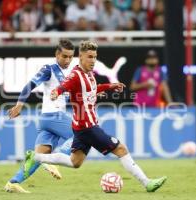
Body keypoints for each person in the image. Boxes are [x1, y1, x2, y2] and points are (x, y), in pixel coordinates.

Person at [24, 40, 167, 192]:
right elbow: (64, 86)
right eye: (90, 57)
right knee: (121, 149)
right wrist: (56, 92)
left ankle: (36, 157)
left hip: (80, 127)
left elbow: (92, 88)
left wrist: (109, 86)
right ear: (81, 57)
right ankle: (147, 183)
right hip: (88, 127)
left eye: (95, 57)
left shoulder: (89, 74)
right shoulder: (76, 74)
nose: (93, 60)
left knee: (75, 162)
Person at [4, 39, 75, 193]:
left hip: (49, 119)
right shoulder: (49, 68)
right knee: (81, 134)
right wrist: (19, 105)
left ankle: (13, 182)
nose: (67, 60)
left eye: (70, 57)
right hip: (53, 115)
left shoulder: (67, 73)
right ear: (57, 54)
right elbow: (29, 85)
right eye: (64, 56)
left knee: (38, 157)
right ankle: (54, 160)